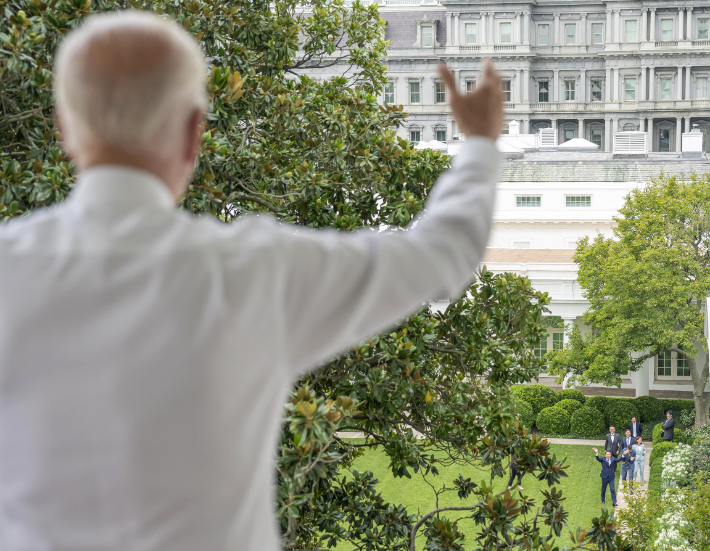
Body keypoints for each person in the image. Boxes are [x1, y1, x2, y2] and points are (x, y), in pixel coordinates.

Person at [0, 11, 505, 551]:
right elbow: (444, 254)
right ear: (194, 131)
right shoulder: (254, 270)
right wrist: (478, 143)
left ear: (62, 126)